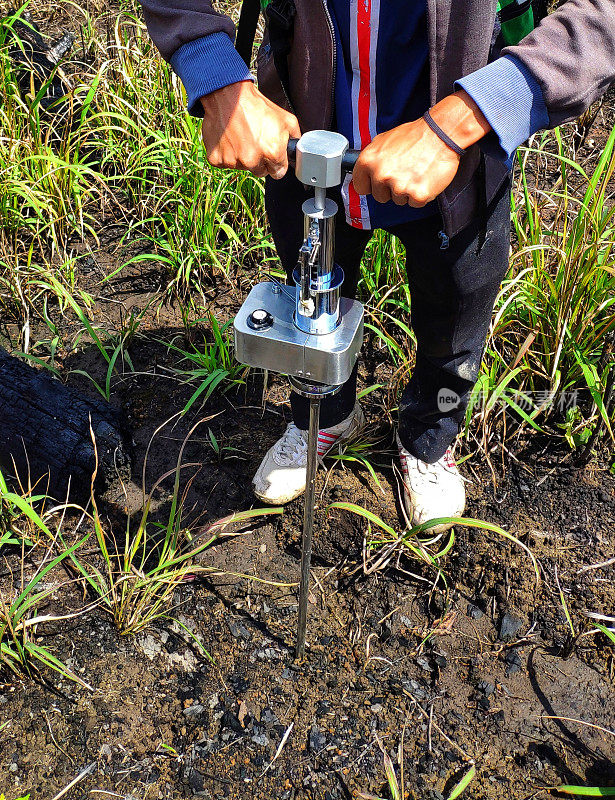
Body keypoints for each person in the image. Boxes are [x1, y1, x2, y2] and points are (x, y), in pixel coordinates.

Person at [139, 0, 614, 529]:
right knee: (311, 296)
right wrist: (215, 71)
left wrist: (470, 114)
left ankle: (429, 438)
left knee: (455, 307)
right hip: (307, 126)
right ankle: (325, 418)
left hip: (463, 153)